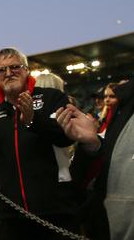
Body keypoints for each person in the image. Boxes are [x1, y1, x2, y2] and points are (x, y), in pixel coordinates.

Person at [0, 47, 77, 240]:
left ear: (27, 70)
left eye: (15, 67)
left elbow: (66, 137)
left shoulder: (51, 97)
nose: (9, 73)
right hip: (11, 214)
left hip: (55, 209)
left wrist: (34, 120)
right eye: (1, 70)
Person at [56, 79, 133, 240]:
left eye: (110, 96)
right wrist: (92, 144)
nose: (106, 100)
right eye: (105, 96)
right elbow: (106, 166)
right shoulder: (125, 104)